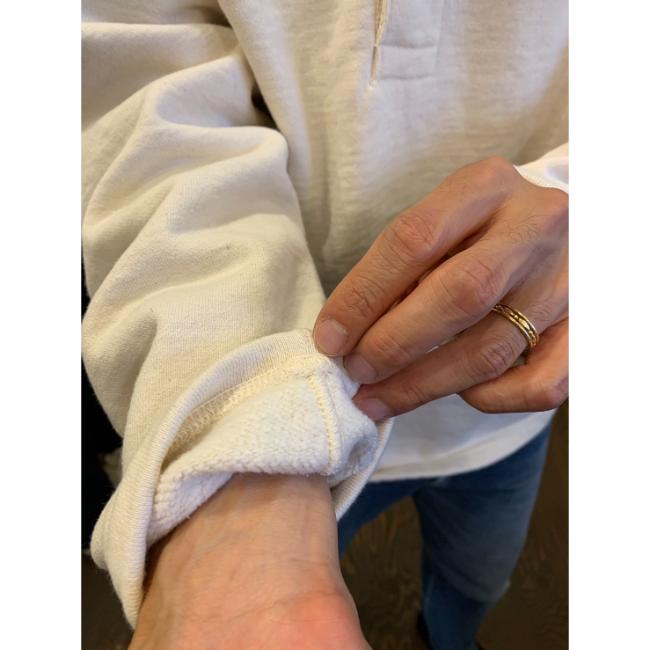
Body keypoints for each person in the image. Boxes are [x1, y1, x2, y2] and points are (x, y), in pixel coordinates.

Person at [82, 1, 568, 648]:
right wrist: (244, 456)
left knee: (477, 583)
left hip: (512, 414)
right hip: (317, 437)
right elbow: (138, 91)